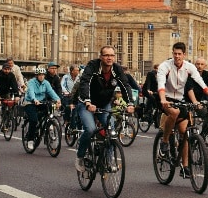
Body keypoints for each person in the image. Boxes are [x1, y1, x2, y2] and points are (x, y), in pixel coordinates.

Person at [157, 43, 208, 177]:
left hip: (181, 100)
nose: (177, 56)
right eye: (175, 53)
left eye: (179, 54)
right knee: (173, 113)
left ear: (184, 55)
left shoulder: (189, 67)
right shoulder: (165, 66)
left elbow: (202, 84)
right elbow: (161, 84)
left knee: (183, 133)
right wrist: (163, 99)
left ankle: (185, 166)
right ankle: (164, 142)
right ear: (172, 53)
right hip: (166, 98)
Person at [75, 46, 139, 174]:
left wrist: (130, 103)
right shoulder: (92, 66)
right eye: (106, 55)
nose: (109, 58)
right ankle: (80, 156)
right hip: (87, 103)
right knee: (90, 129)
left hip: (104, 104)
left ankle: (109, 160)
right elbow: (85, 82)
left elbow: (125, 85)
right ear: (101, 57)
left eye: (111, 55)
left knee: (111, 132)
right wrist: (87, 101)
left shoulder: (117, 69)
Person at [23, 66, 61, 148]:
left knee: (49, 112)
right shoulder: (31, 82)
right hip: (30, 102)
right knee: (33, 120)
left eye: (43, 75)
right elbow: (31, 92)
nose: (41, 76)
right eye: (39, 75)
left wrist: (58, 99)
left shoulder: (46, 83)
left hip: (41, 102)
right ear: (36, 76)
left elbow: (51, 92)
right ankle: (30, 139)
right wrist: (34, 99)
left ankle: (49, 127)